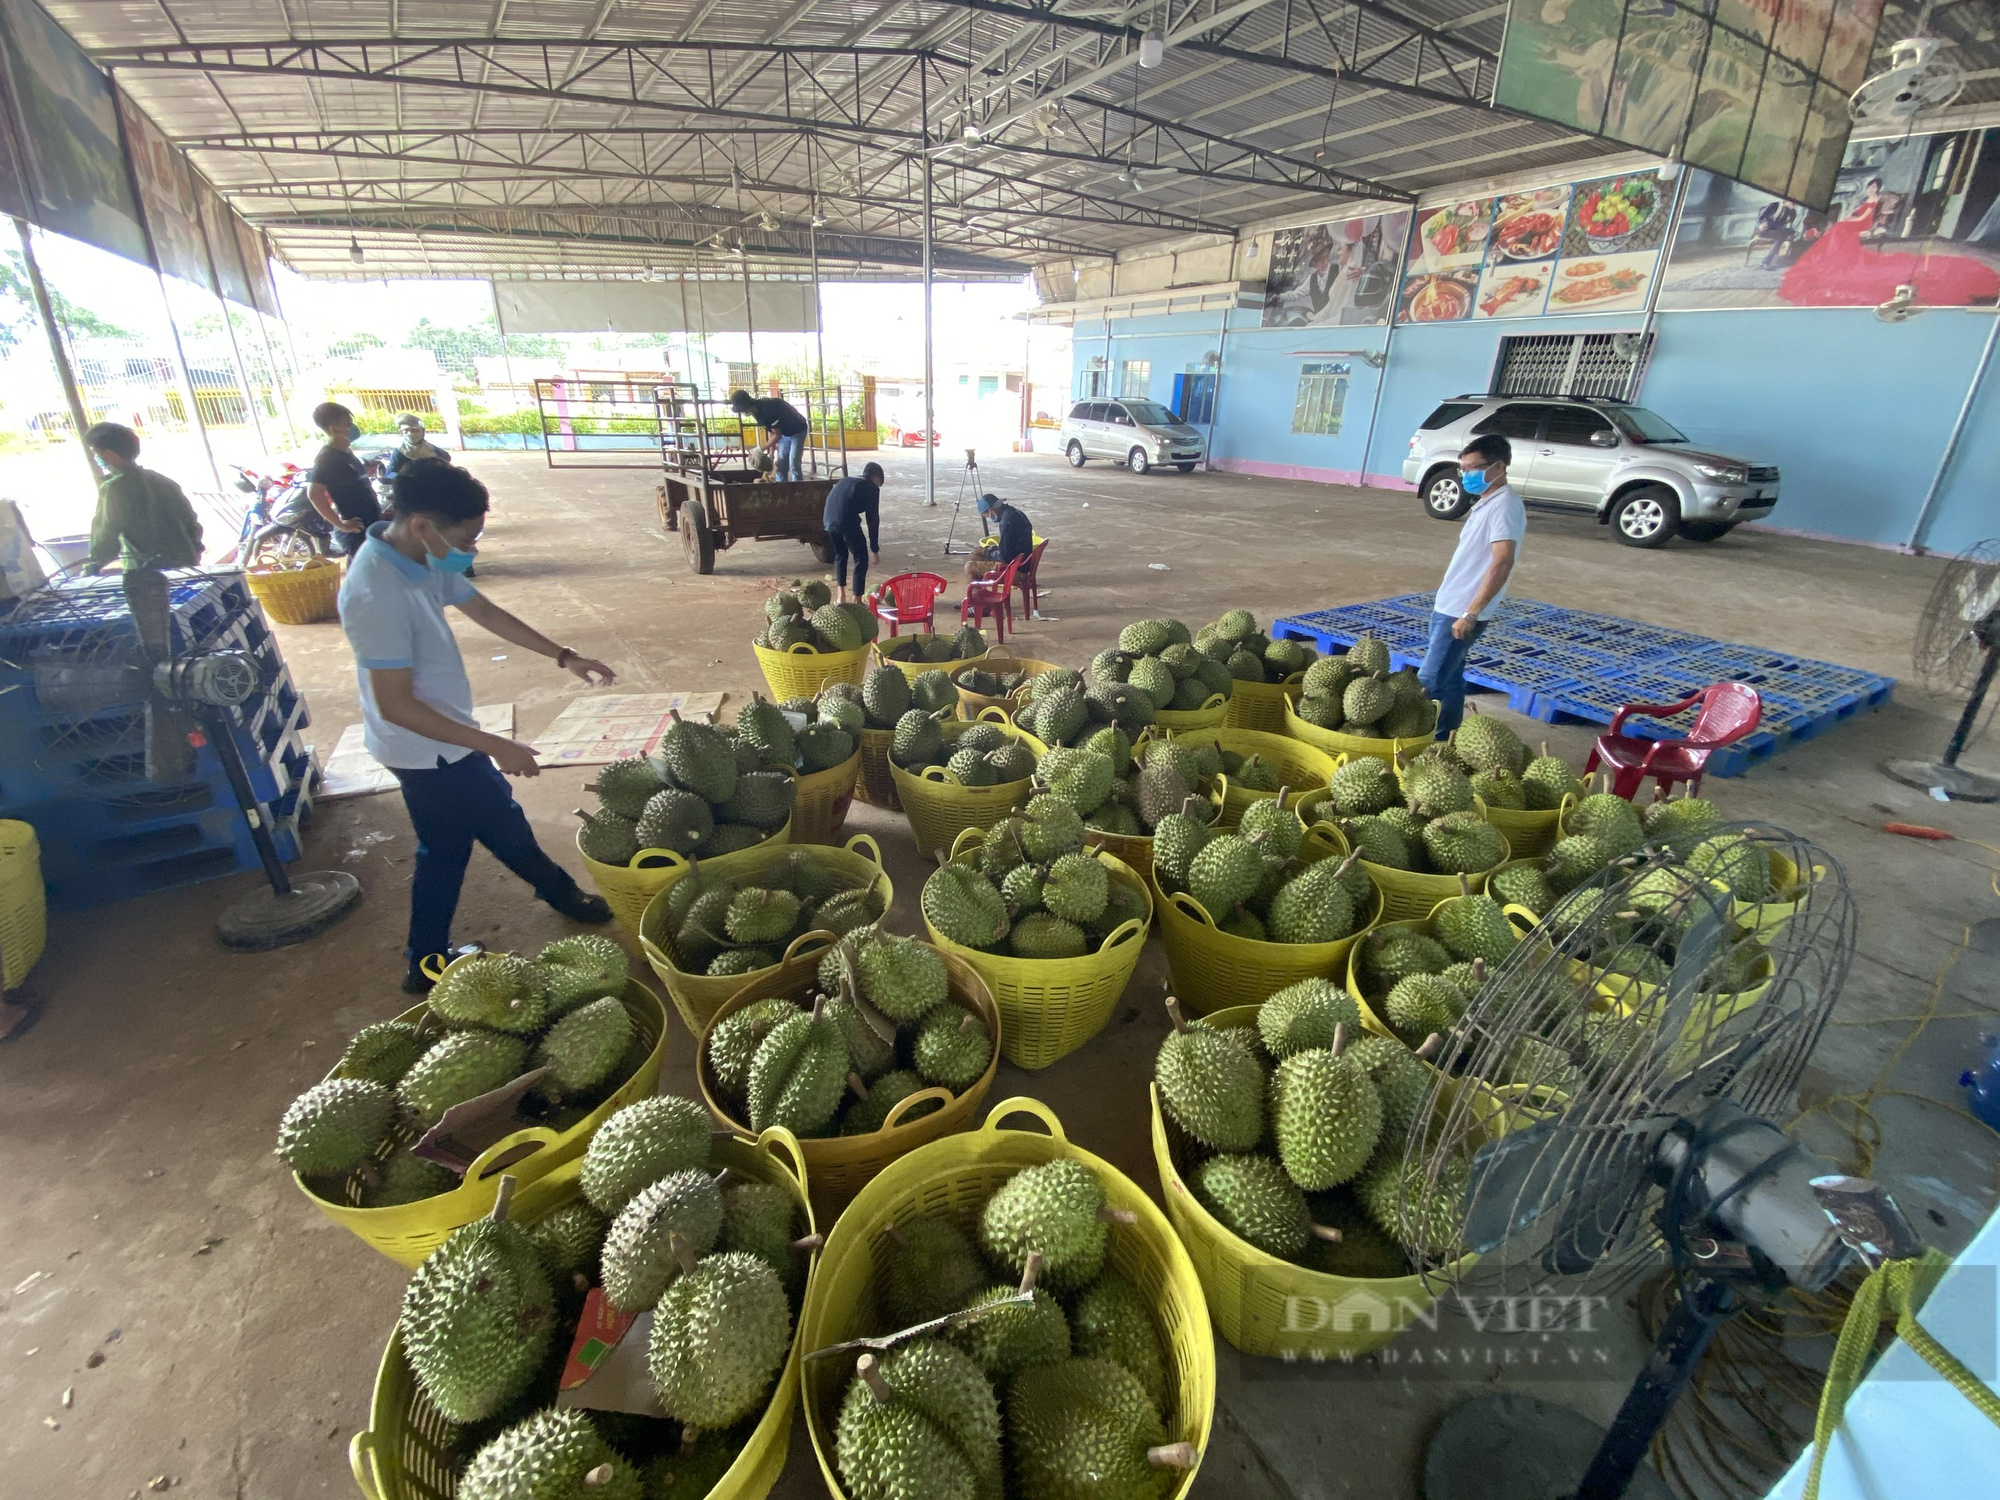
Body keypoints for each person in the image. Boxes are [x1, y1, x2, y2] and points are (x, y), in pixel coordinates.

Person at [337, 461, 615, 991]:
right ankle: (427, 963)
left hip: (447, 738)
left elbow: (482, 609)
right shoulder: (376, 593)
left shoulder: (420, 556)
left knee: (491, 823)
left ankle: (550, 898)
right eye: (467, 537)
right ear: (423, 524)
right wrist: (494, 744)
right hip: (426, 748)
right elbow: (395, 704)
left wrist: (564, 656)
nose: (473, 549)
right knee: (457, 842)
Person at [1420, 433, 1523, 738]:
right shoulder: (1487, 503)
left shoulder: (1504, 506)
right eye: (1463, 468)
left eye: (1473, 468)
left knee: (1431, 679)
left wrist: (1471, 612)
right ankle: (1448, 737)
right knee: (1451, 678)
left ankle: (1424, 743)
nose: (1466, 475)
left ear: (1499, 466)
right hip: (1451, 605)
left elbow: (1502, 561)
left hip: (1461, 611)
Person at [81, 422, 203, 573]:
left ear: (109, 455)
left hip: (148, 574)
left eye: (95, 453)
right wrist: (195, 552)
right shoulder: (162, 480)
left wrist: (90, 568)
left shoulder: (114, 489)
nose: (95, 457)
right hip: (187, 564)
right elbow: (192, 523)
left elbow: (105, 537)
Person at [308, 401, 383, 559]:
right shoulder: (327, 458)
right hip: (356, 533)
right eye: (348, 424)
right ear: (334, 429)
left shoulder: (345, 452)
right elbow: (314, 493)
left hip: (370, 525)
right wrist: (341, 525)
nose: (353, 427)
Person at [823, 461, 883, 604]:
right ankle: (857, 598)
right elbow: (872, 520)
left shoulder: (847, 480)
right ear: (876, 478)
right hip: (845, 519)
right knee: (861, 558)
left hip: (828, 519)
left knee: (840, 555)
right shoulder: (871, 488)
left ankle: (840, 596)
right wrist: (874, 549)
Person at [729, 388, 809, 481]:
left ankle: (798, 488)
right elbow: (772, 432)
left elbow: (777, 435)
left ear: (745, 406)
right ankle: (781, 488)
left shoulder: (767, 410)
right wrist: (771, 454)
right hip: (784, 432)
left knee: (794, 462)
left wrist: (760, 449)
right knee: (781, 462)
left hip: (797, 429)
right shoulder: (756, 412)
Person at [964, 492, 1033, 586]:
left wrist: (985, 552)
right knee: (975, 555)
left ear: (991, 510)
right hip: (1022, 561)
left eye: (987, 516)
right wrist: (989, 550)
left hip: (1016, 570)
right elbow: (1009, 546)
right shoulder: (1014, 513)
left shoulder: (1006, 522)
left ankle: (976, 596)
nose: (989, 518)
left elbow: (1005, 556)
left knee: (970, 567)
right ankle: (981, 591)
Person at [383, 413, 450, 482]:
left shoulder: (431, 449)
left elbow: (446, 459)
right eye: (406, 431)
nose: (410, 433)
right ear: (401, 432)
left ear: (422, 431)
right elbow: (390, 471)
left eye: (414, 430)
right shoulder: (400, 451)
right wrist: (400, 479)